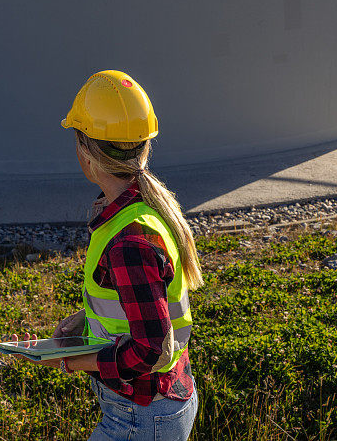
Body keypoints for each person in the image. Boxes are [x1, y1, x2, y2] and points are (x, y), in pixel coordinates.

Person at [10, 70, 203, 441]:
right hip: (156, 408)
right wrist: (88, 319)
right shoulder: (141, 209)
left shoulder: (130, 239)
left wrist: (77, 360)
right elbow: (148, 302)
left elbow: (151, 349)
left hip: (141, 417)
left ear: (86, 150)